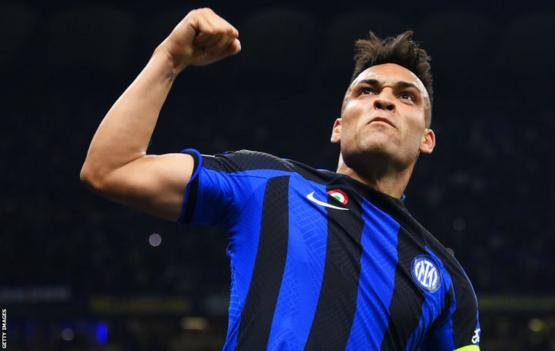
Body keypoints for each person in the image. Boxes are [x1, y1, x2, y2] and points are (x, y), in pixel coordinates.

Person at [80, 8, 481, 351]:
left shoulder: (448, 280)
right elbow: (111, 169)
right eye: (367, 90)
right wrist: (168, 59)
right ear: (338, 127)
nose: (384, 99)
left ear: (427, 140)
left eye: (406, 96)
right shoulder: (268, 182)